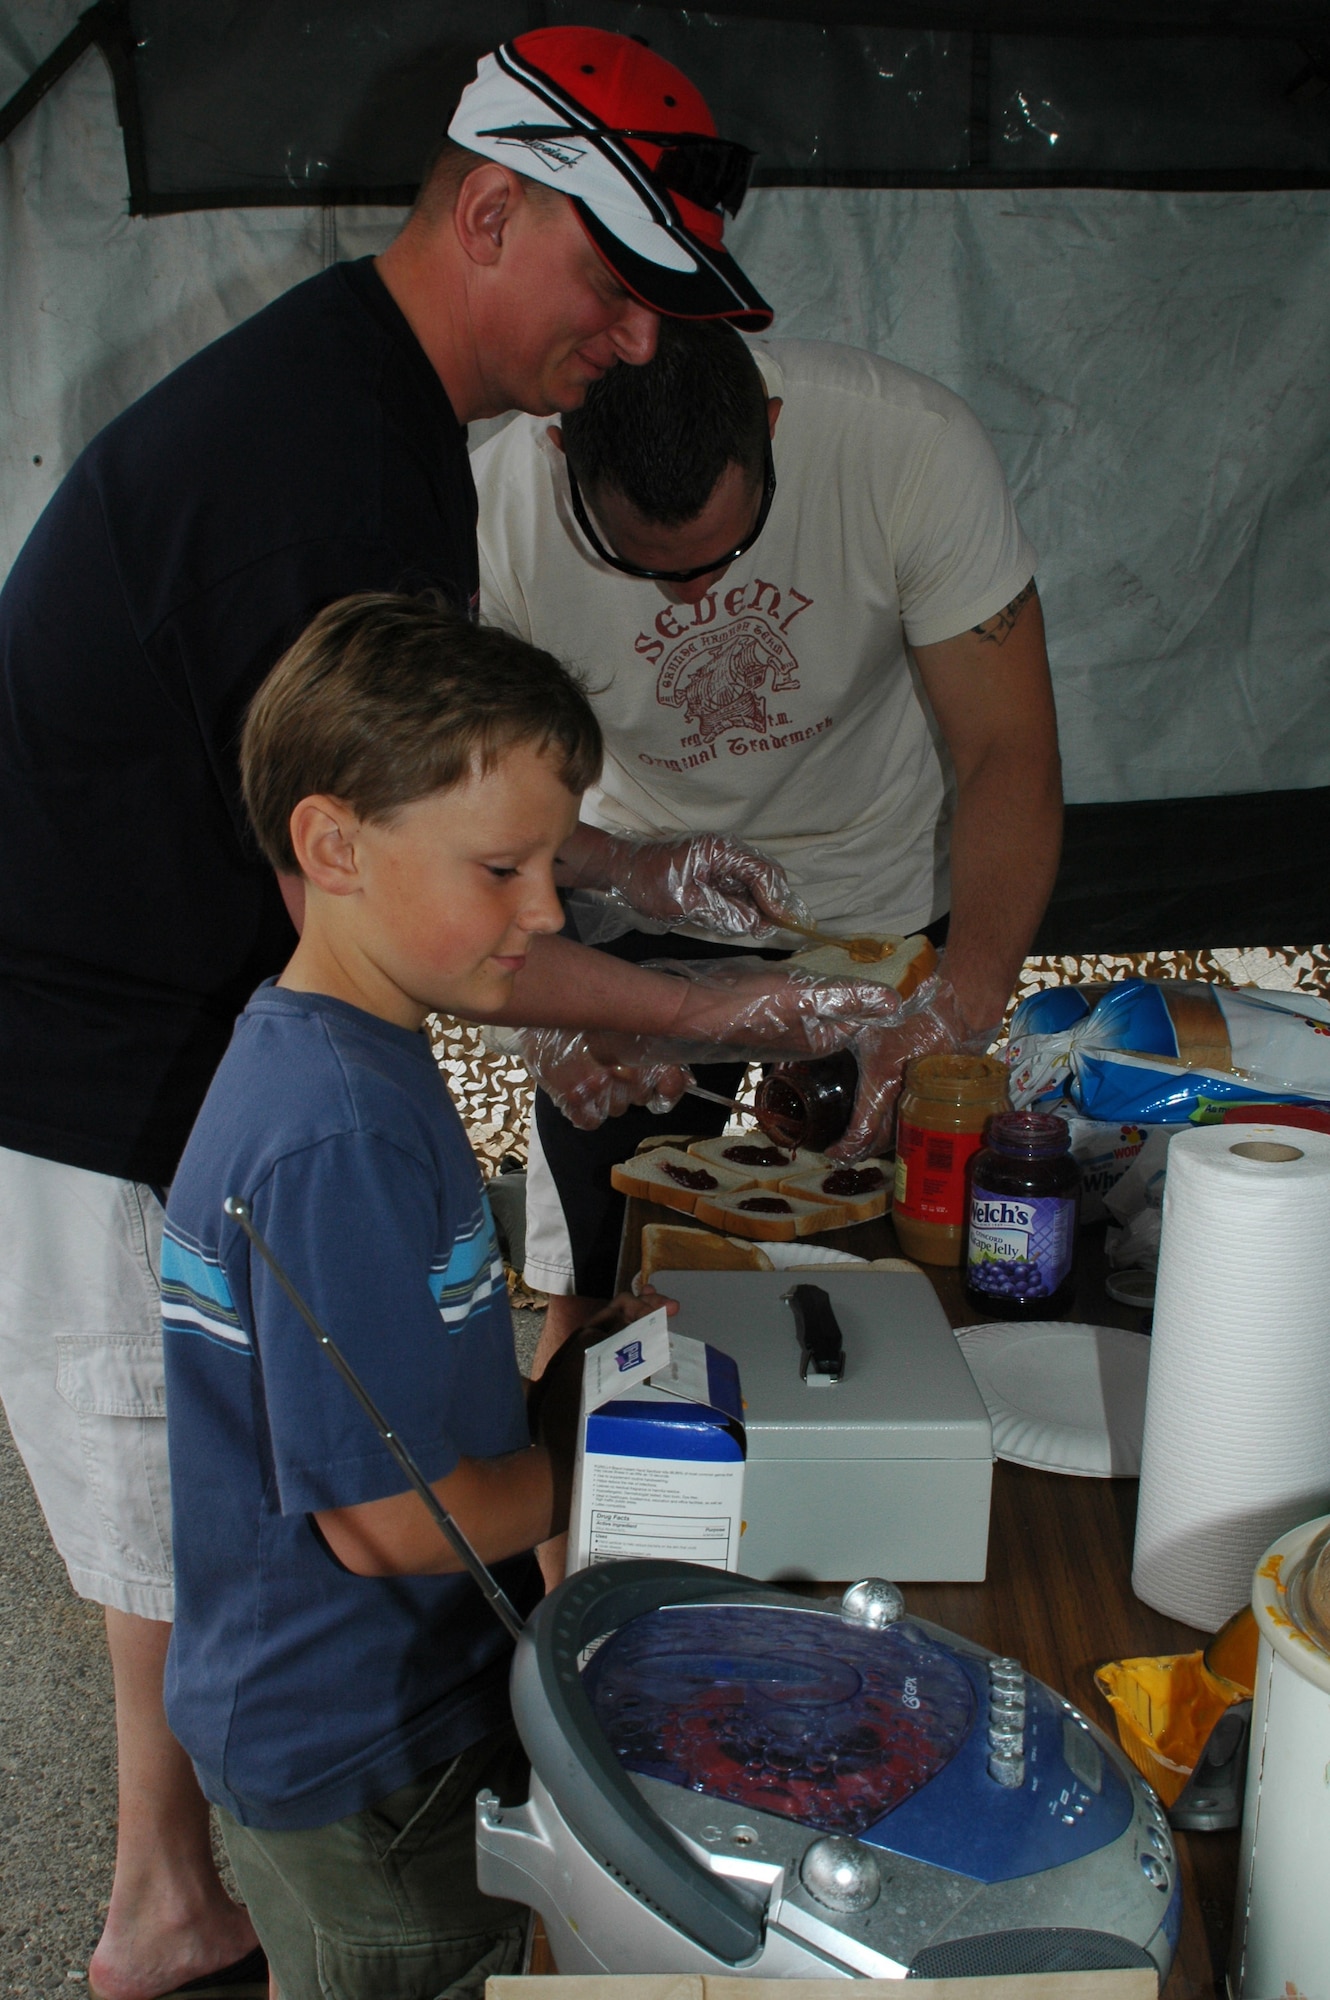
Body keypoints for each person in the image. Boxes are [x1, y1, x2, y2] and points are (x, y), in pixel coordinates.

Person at [0, 28, 772, 1998]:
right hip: (82, 1045)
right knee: (179, 1494)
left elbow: (420, 803)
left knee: (231, 1474)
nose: (624, 343)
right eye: (610, 286)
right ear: (488, 205)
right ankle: (171, 1899)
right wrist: (722, 1004)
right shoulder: (325, 455)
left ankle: (194, 1879)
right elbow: (432, 885)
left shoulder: (372, 407)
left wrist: (624, 885)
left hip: (185, 1011)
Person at [163, 592, 664, 2000]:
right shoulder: (333, 1130)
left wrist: (564, 1380)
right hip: (370, 1753)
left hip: (353, 1715)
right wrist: (583, 1452)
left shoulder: (351, 1052)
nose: (549, 908)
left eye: (551, 865)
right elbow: (391, 1525)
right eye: (502, 867)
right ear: (332, 846)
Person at [472, 318, 1064, 1356]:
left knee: (882, 1257)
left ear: (773, 431)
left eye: (724, 553)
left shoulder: (907, 448)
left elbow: (1006, 749)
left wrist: (958, 1006)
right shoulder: (499, 509)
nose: (695, 593)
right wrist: (546, 1008)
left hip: (870, 887)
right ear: (562, 449)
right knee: (608, 1264)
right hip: (626, 879)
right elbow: (466, 802)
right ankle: (586, 1509)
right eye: (640, 562)